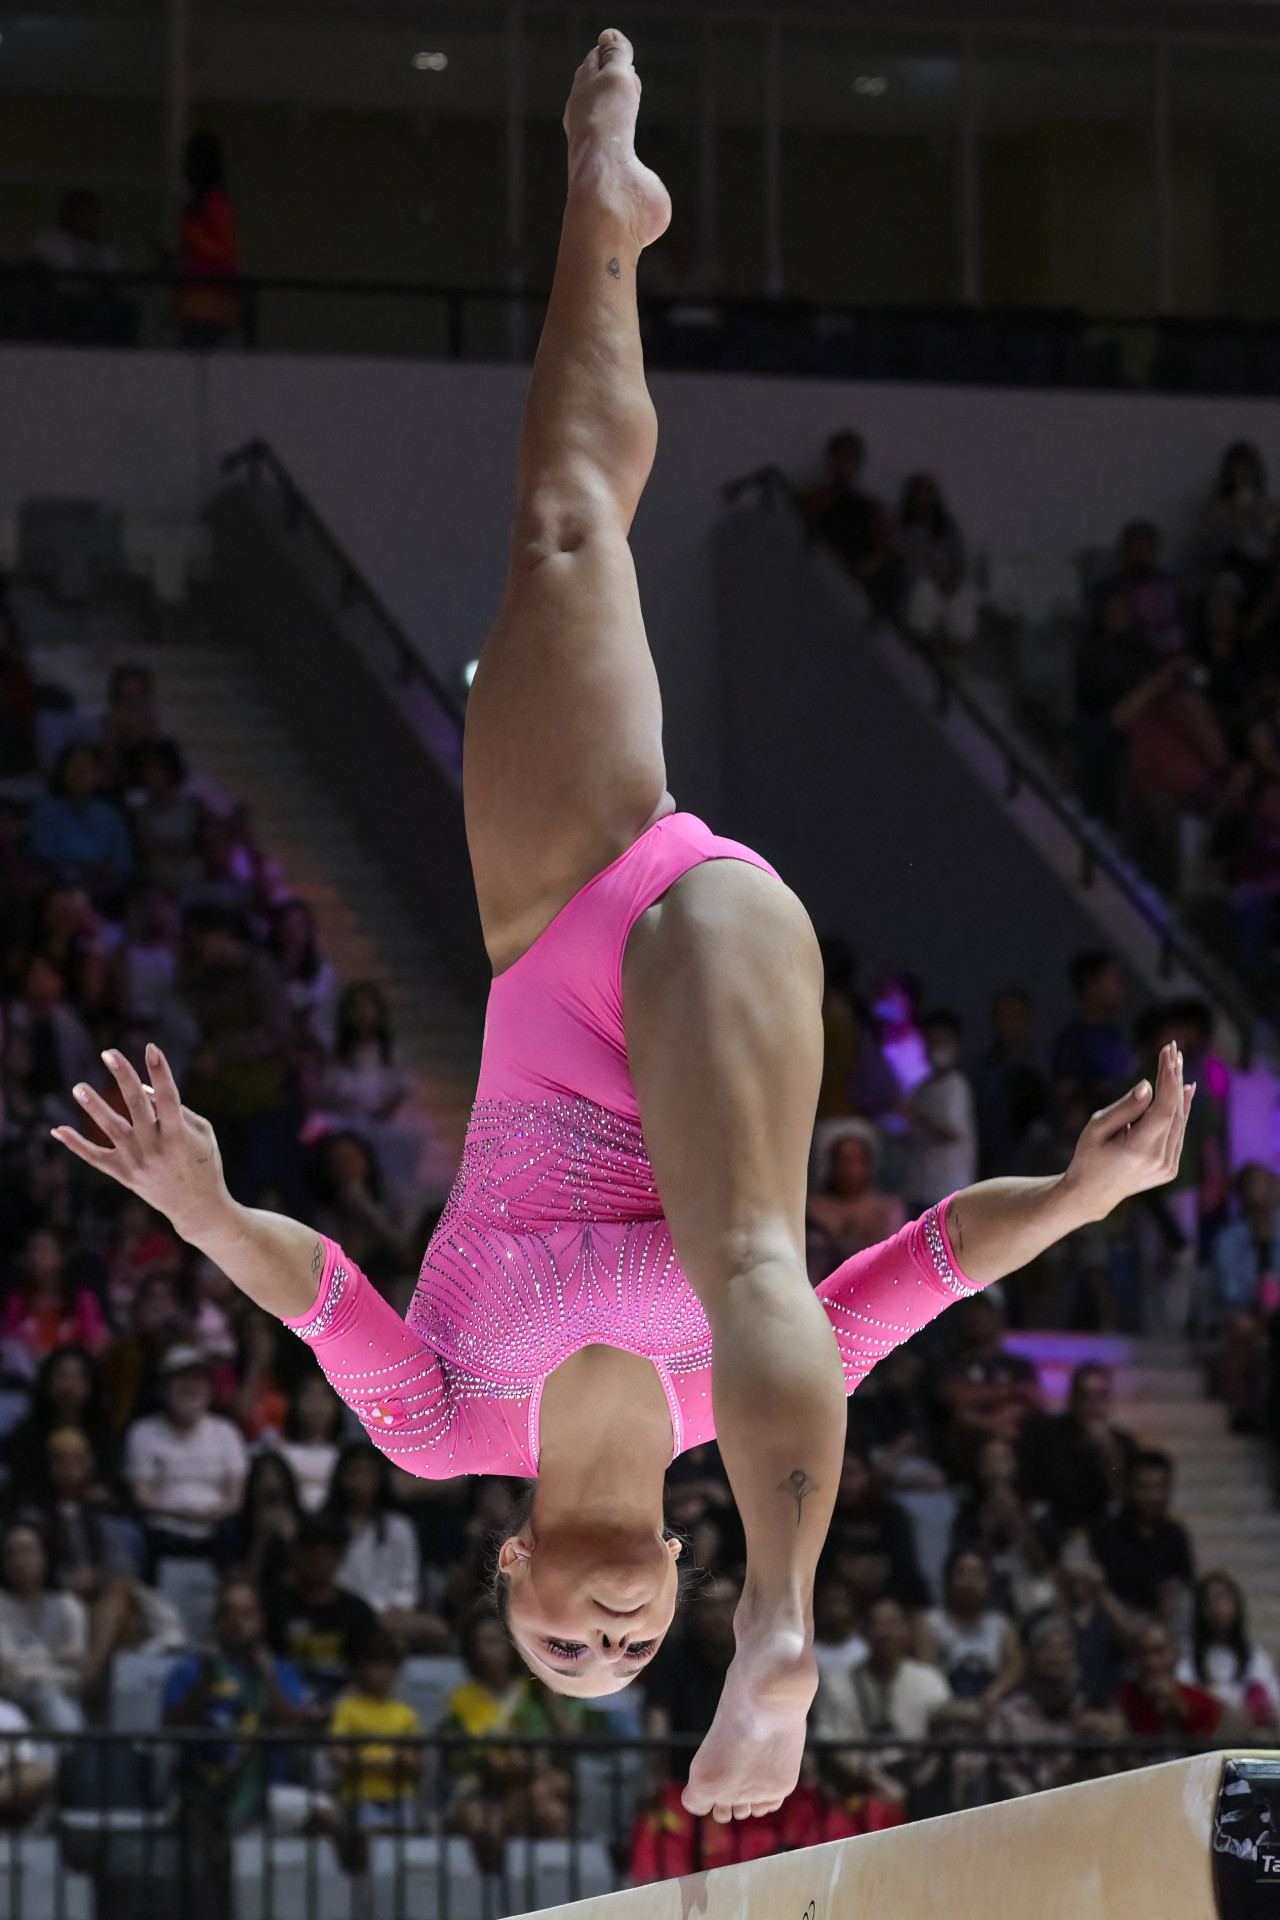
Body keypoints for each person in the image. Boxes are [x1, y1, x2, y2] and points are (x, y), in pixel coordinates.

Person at [53, 27, 1196, 1826]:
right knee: (761, 1274)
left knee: (563, 533)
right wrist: (1088, 1194)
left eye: (568, 1652)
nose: (598, 1644)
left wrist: (200, 1202)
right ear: (680, 1579)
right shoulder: (709, 1408)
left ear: (507, 1578)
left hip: (558, 926)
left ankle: (609, 213)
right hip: (706, 977)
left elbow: (314, 1288)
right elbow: (931, 1268)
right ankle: (793, 1633)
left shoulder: (440, 1429)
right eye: (632, 1653)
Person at [164, 1576, 308, 1920]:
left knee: (327, 1817)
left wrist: (269, 1676)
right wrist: (205, 1679)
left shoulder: (280, 1671)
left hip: (266, 1794)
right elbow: (172, 1730)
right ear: (216, 1622)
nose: (237, 1621)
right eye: (228, 1613)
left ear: (260, 1621)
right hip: (202, 1794)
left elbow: (294, 1727)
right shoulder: (189, 1671)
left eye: (246, 1613)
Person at [123, 1345, 248, 1568]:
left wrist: (208, 1515)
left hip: (216, 1528)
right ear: (163, 1387)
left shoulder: (226, 1432)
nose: (191, 1386)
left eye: (198, 1379)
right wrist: (184, 1515)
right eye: (181, 1379)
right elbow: (141, 1496)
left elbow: (235, 1497)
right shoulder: (143, 1432)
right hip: (162, 1528)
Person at [323, 1442, 445, 1652]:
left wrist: (396, 1609)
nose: (360, 1482)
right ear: (340, 1477)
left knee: (437, 1631)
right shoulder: (326, 1524)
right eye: (353, 1473)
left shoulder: (399, 1527)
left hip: (391, 1614)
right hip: (341, 1611)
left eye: (367, 1473)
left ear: (380, 1478)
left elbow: (406, 1585)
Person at [987, 1610, 1123, 1797]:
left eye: (1065, 1647)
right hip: (1031, 1810)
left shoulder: (1092, 1705)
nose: (1057, 1656)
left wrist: (1110, 1735)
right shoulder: (1009, 1713)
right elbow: (1004, 1777)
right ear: (1031, 1657)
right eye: (1046, 1647)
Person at [264, 1513, 379, 1705]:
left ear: (341, 1555)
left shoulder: (358, 1612)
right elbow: (264, 1664)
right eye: (312, 1550)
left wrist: (332, 1708)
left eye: (329, 1552)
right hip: (281, 1708)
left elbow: (367, 1671)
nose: (320, 1559)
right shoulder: (273, 1605)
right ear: (296, 1552)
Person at [1017, 1361, 1137, 1533]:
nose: (1094, 1406)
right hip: (1051, 1522)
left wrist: (1108, 1453)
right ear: (1072, 1399)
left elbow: (1123, 1498)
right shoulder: (1046, 1434)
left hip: (1100, 1525)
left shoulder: (1122, 1444)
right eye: (1086, 1396)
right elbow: (1029, 1487)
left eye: (1101, 1397)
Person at [328, 1627, 422, 1833]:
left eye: (389, 1667)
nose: (383, 1674)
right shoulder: (347, 1708)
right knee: (370, 1845)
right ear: (360, 1668)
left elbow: (415, 1760)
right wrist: (375, 1762)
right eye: (376, 1666)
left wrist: (396, 1762)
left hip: (399, 1796)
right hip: (360, 1797)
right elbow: (337, 1754)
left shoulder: (405, 1713)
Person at [798, 431, 900, 618]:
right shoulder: (813, 498)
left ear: (858, 465)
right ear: (830, 460)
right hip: (818, 573)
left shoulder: (872, 507)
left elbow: (888, 548)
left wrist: (872, 564)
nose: (844, 464)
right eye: (840, 457)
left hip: (855, 584)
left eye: (851, 459)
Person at [0, 1519, 87, 1730]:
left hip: (63, 1694)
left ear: (45, 1556)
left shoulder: (69, 1606)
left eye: (28, 1551)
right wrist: (55, 1656)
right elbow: (6, 1667)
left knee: (68, 1718)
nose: (19, 1561)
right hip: (12, 1698)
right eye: (11, 1553)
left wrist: (31, 1662)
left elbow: (79, 1666)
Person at [1089, 1449, 1194, 1622]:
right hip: (1117, 1622)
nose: (1153, 1496)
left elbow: (1180, 1585)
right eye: (1144, 1487)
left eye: (1160, 1487)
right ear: (1128, 1487)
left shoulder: (1175, 1535)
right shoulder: (1105, 1532)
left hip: (1163, 1626)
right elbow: (1100, 1589)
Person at [27, 744, 133, 905]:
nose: (80, 774)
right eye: (74, 767)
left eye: (86, 768)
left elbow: (124, 860)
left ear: (98, 774)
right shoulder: (46, 811)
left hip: (110, 890)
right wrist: (79, 872)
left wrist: (108, 871)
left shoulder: (109, 813)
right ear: (63, 771)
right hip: (61, 890)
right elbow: (44, 857)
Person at [1178, 1571, 1280, 1732]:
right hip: (1207, 1743)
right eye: (1211, 1601)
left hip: (1251, 1740)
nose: (1219, 1608)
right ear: (1201, 1609)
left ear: (1237, 1605)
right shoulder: (1188, 1659)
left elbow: (1273, 1707)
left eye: (1225, 1599)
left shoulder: (1256, 1657)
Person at [920, 1548, 1020, 1708]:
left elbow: (1015, 1666)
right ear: (948, 1579)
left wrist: (991, 1696)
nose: (970, 1581)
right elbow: (927, 1673)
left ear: (989, 1581)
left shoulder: (1001, 1625)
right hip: (945, 1708)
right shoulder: (931, 1623)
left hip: (991, 1706)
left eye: (977, 1574)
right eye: (962, 1573)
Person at [805, 1120, 904, 1281]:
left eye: (858, 1159)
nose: (851, 1169)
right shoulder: (813, 1208)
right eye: (845, 1159)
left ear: (869, 1164)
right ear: (831, 1164)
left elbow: (893, 1264)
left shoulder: (887, 1209)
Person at [1, 1228, 108, 1377]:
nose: (35, 1257)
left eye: (44, 1250)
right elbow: (8, 1347)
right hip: (23, 1381)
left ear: (61, 1257)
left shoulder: (83, 1300)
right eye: (31, 1250)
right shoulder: (16, 1300)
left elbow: (96, 1348)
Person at [968, 988, 1049, 1179]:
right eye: (1003, 1015)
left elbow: (1045, 1127)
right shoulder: (978, 1070)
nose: (1008, 1023)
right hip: (984, 1173)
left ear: (1027, 1021)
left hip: (1034, 1175)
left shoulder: (1041, 1070)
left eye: (1015, 1016)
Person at [903, 1010, 978, 1213]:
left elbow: (951, 1131)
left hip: (949, 1191)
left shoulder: (956, 1085)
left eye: (943, 1042)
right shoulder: (922, 1088)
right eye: (932, 1041)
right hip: (920, 1190)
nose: (937, 1047)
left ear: (957, 1044)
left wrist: (915, 1115)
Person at [176, 131, 242, 349]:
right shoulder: (200, 203)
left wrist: (191, 230)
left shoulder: (215, 202)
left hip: (212, 300)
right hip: (194, 299)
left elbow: (223, 249)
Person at [897, 473, 976, 647]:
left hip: (947, 586)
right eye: (917, 496)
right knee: (924, 592)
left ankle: (957, 645)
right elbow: (905, 563)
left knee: (961, 597)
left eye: (926, 495)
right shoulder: (903, 531)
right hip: (917, 586)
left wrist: (951, 580)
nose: (922, 501)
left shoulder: (948, 532)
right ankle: (921, 641)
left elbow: (960, 562)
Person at [1051, 951, 1132, 1111]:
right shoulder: (1072, 1038)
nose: (1121, 988)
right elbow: (1066, 1092)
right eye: (1115, 980)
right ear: (1091, 985)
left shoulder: (1112, 1034)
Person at [1116, 1618, 1223, 1739]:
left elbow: (1209, 1745)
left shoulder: (1202, 1701)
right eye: (1143, 1653)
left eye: (1159, 1652)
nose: (1151, 1662)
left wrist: (1179, 1707)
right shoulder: (1122, 1702)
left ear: (1176, 1654)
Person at [270, 1371, 344, 1512]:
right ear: (295, 1404)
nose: (316, 1406)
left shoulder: (345, 1455)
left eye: (323, 1397)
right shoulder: (280, 1452)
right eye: (309, 1397)